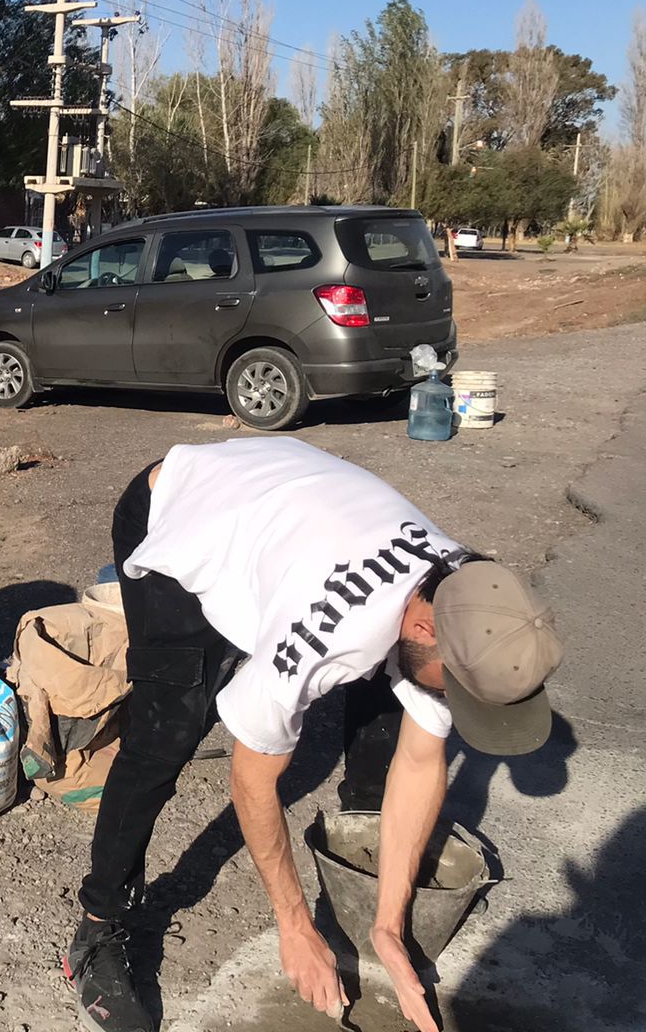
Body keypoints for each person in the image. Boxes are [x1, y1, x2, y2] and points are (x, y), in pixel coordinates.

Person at [65, 438, 563, 1032]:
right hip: (176, 507)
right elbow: (252, 780)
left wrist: (388, 924)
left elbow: (422, 757)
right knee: (169, 727)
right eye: (452, 689)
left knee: (395, 697)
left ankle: (371, 886)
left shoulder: (467, 595)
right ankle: (96, 930)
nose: (448, 702)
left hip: (286, 515)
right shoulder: (326, 636)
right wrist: (295, 925)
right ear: (425, 623)